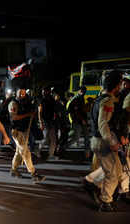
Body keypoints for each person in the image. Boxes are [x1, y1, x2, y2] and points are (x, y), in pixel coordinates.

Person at [86, 70, 125, 212]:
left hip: (98, 140)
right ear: (116, 85)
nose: (121, 86)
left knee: (116, 170)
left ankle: (93, 184)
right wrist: (112, 142)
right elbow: (103, 124)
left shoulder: (101, 97)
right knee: (113, 173)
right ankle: (105, 201)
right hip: (103, 141)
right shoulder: (107, 100)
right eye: (120, 83)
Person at [8, 88, 46, 181]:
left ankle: (14, 169)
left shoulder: (25, 102)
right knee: (25, 152)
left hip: (24, 130)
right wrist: (28, 114)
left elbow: (35, 110)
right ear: (16, 93)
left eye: (24, 93)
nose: (22, 95)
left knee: (19, 152)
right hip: (17, 131)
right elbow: (14, 117)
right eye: (20, 93)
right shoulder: (13, 103)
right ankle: (33, 173)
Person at [65, 86, 90, 159]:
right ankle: (63, 146)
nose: (83, 92)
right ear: (78, 91)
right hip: (77, 121)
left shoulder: (81, 98)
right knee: (76, 137)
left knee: (86, 137)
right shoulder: (76, 99)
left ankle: (87, 153)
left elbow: (81, 110)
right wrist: (81, 119)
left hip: (82, 120)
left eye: (84, 91)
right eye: (82, 90)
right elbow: (74, 111)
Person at [37, 86, 58, 160]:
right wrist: (40, 122)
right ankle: (38, 151)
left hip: (51, 122)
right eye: (43, 91)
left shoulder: (52, 99)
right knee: (45, 139)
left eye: (45, 91)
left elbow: (54, 110)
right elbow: (39, 112)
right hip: (44, 122)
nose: (43, 93)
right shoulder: (41, 100)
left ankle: (51, 155)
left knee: (53, 139)